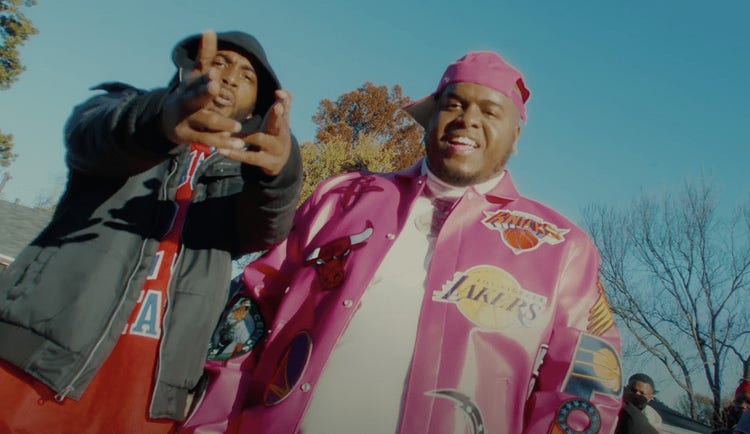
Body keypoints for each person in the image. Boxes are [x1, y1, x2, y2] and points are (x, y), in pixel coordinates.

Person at [183, 50, 623, 434]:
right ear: (431, 118)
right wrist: (208, 425)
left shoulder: (563, 248)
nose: (467, 119)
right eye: (454, 104)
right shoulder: (341, 197)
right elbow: (252, 309)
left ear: (516, 135)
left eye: (490, 111)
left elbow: (586, 389)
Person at [0, 29, 302, 433]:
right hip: (33, 368)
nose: (231, 77)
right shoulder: (125, 112)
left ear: (259, 107)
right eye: (220, 62)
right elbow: (93, 135)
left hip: (148, 401)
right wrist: (158, 120)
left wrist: (279, 174)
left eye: (247, 76)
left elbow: (268, 227)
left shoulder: (242, 182)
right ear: (188, 70)